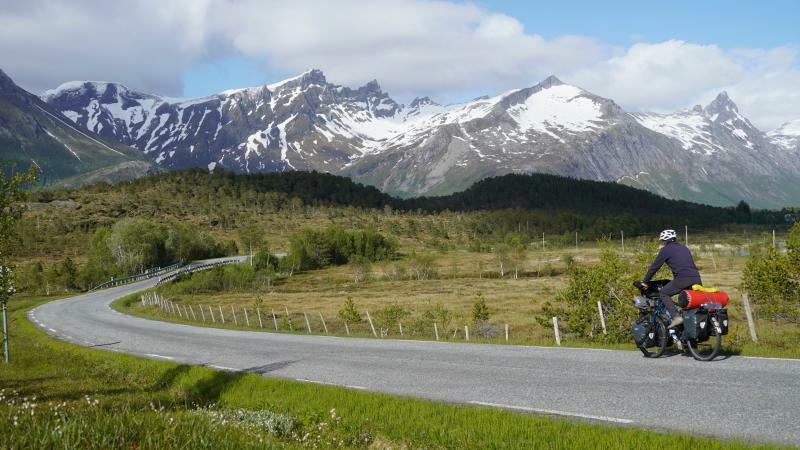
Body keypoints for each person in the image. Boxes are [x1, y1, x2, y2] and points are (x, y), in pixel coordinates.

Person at [641, 229, 702, 328]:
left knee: (664, 293)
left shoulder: (665, 250)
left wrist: (645, 282)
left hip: (683, 278)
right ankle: (689, 334)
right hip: (696, 278)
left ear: (664, 240)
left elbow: (654, 267)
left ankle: (676, 317)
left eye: (662, 241)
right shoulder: (684, 248)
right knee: (689, 304)